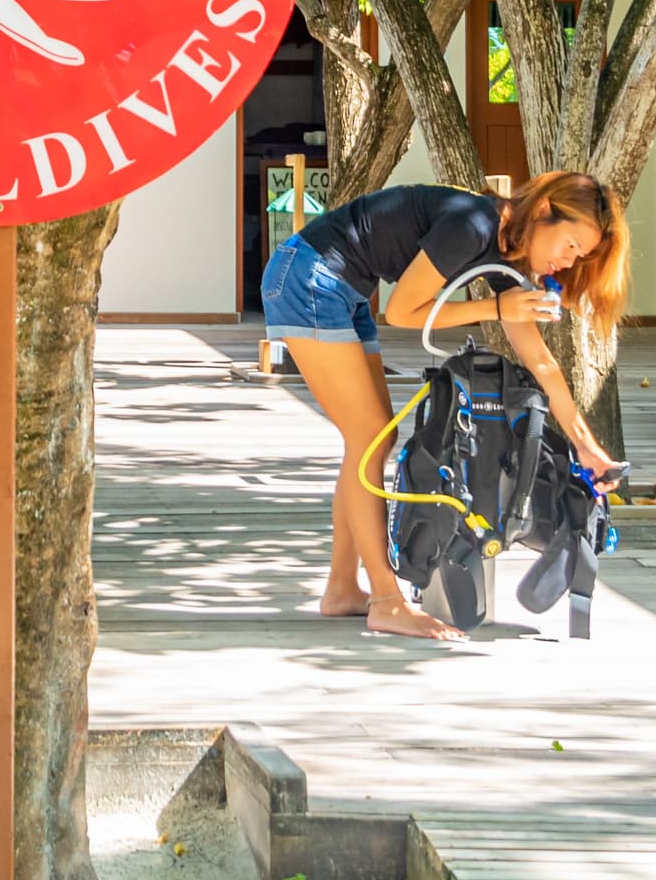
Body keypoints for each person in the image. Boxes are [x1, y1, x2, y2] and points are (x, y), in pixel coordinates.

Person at [261, 174, 630, 641]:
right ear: (543, 212)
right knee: (369, 437)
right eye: (570, 244)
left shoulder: (507, 255)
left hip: (342, 285)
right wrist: (497, 308)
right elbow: (403, 311)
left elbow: (542, 363)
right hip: (310, 276)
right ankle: (386, 601)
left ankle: (342, 589)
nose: (568, 260)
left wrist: (587, 447)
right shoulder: (472, 224)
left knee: (375, 440)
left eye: (580, 255)